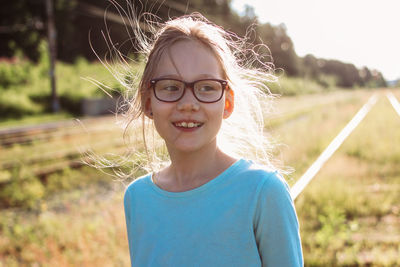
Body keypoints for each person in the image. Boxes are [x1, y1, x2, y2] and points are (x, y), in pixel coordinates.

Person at [120, 12, 303, 267]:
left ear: (227, 103)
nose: (188, 104)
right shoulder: (137, 198)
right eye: (171, 86)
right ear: (148, 101)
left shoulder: (263, 192)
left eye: (206, 87)